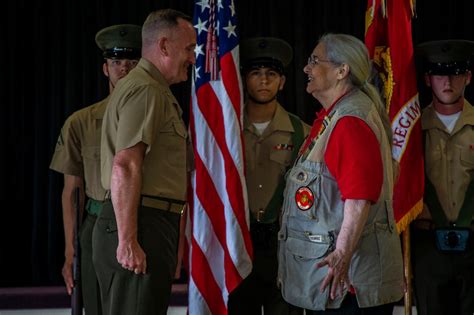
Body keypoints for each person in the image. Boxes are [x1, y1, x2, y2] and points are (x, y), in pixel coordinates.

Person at [277, 33, 404, 314]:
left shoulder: (349, 120)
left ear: (341, 71)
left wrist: (342, 256)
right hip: (341, 286)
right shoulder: (338, 116)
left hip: (347, 286)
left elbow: (359, 198)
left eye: (314, 61)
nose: (306, 69)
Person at [93, 9, 196, 315]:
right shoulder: (147, 90)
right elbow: (125, 164)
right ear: (164, 46)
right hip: (140, 222)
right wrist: (128, 240)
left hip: (146, 222)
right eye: (189, 49)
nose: (193, 58)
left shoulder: (152, 89)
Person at [49, 24, 141, 315]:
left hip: (143, 223)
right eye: (116, 62)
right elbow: (71, 192)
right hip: (96, 223)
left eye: (132, 62)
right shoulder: (81, 122)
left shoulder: (160, 116)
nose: (124, 69)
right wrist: (69, 250)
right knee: (98, 307)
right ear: (105, 69)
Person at [227, 37, 309, 315]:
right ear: (243, 79)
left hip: (284, 248)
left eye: (271, 74)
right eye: (255, 73)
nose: (263, 81)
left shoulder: (304, 134)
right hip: (239, 244)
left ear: (282, 82)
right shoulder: (226, 131)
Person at [411, 39, 474, 315]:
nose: (447, 81)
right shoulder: (410, 132)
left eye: (455, 73)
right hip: (428, 245)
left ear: (468, 77)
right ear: (428, 79)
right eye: (439, 74)